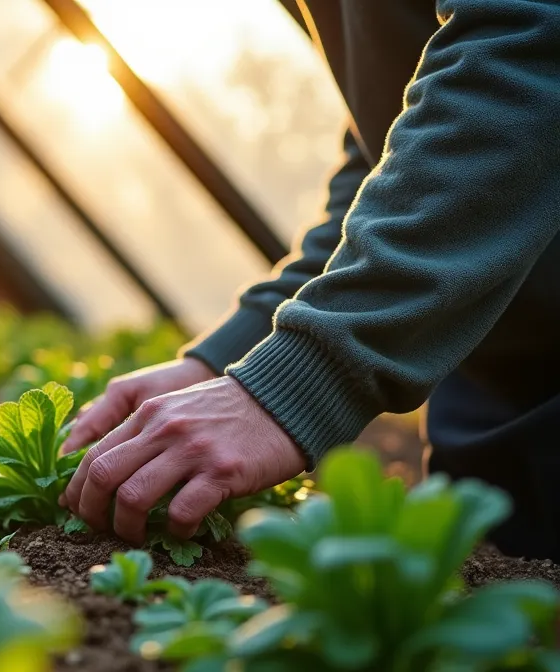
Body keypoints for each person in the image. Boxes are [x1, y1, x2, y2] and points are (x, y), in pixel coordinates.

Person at [58, 0, 560, 560]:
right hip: (490, 394)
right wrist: (229, 359)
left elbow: (532, 48)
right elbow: (387, 152)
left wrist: (301, 381)